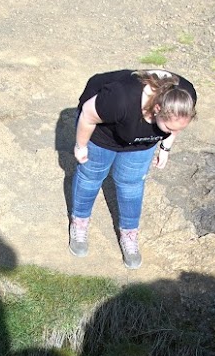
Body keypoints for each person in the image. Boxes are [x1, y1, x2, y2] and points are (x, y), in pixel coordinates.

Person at [69, 68, 197, 269]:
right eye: (170, 129)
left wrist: (165, 146)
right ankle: (80, 222)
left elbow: (175, 126)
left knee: (131, 184)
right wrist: (81, 145)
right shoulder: (120, 98)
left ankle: (129, 234)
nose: (174, 132)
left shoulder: (183, 97)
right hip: (102, 133)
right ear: (156, 110)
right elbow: (87, 115)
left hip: (140, 139)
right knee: (91, 176)